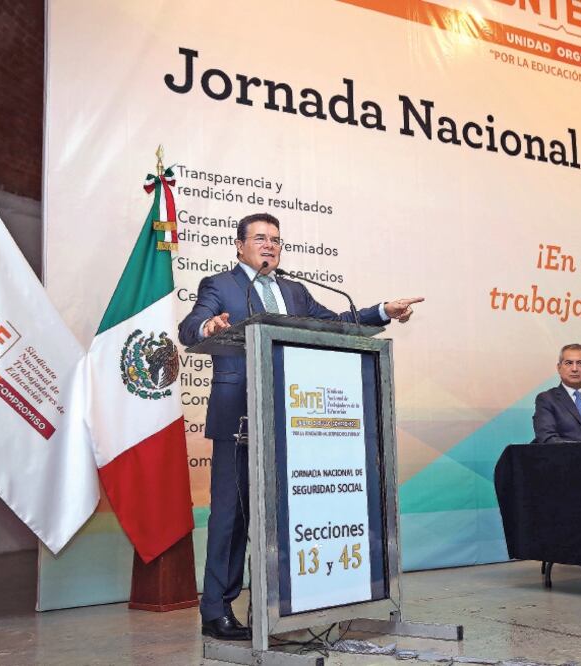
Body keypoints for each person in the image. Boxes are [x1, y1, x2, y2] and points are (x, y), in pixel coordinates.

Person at [178, 212, 422, 641]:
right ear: (239, 246)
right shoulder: (220, 286)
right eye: (259, 238)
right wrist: (208, 325)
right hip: (238, 420)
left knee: (289, 516)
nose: (269, 245)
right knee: (231, 519)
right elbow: (188, 328)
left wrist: (382, 310)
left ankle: (288, 604)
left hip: (290, 423)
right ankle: (216, 611)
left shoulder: (294, 289)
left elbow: (338, 322)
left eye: (275, 239)